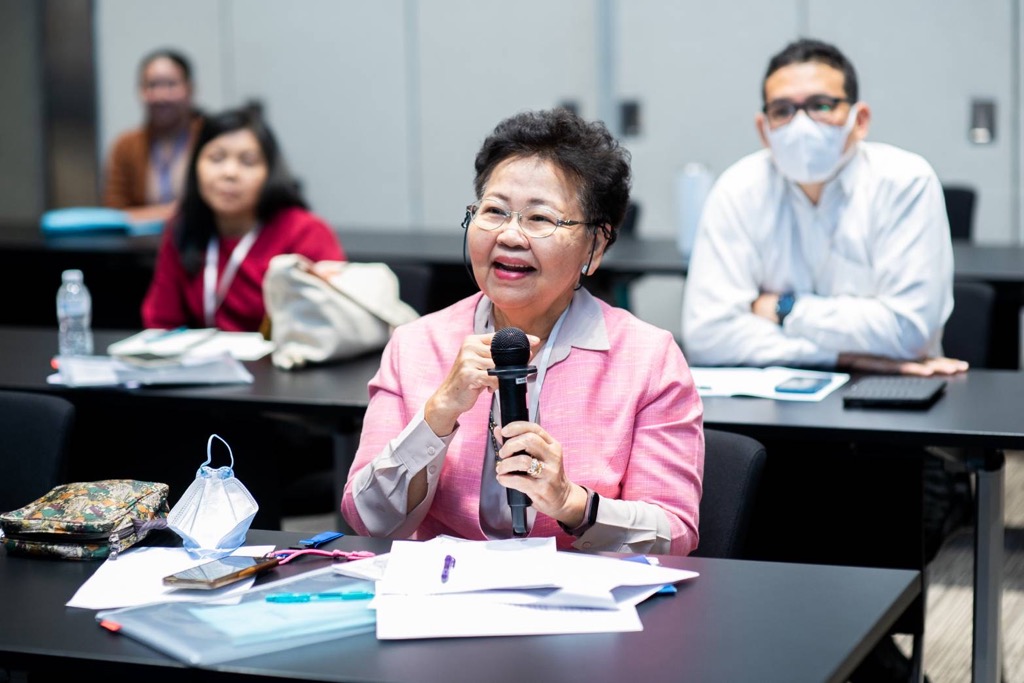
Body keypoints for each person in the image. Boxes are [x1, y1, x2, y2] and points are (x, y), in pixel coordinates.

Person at [681, 38, 967, 682]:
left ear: (857, 117)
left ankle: (873, 656)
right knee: (760, 553)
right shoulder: (739, 187)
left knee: (867, 576)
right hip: (774, 425)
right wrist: (849, 346)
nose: (801, 123)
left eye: (821, 105)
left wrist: (778, 308)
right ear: (764, 126)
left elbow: (907, 330)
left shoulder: (905, 181)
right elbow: (709, 332)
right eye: (783, 110)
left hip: (889, 427)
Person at [342, 109, 704, 555]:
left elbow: (673, 535)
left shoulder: (648, 358)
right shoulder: (415, 344)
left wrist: (571, 502)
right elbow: (368, 521)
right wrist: (437, 414)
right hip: (446, 589)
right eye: (494, 211)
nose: (510, 236)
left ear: (595, 246)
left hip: (579, 592)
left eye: (539, 218)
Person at [141, 106, 345, 332]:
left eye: (247, 162)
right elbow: (161, 322)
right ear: (195, 166)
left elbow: (332, 323)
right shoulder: (184, 227)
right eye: (216, 158)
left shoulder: (305, 232)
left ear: (269, 172)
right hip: (205, 354)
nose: (230, 173)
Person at [102, 48, 204, 224]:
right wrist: (173, 212)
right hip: (141, 241)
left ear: (190, 89)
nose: (160, 96)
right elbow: (114, 215)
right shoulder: (126, 146)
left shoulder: (208, 137)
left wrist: (144, 216)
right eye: (151, 85)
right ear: (140, 91)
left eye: (171, 85)